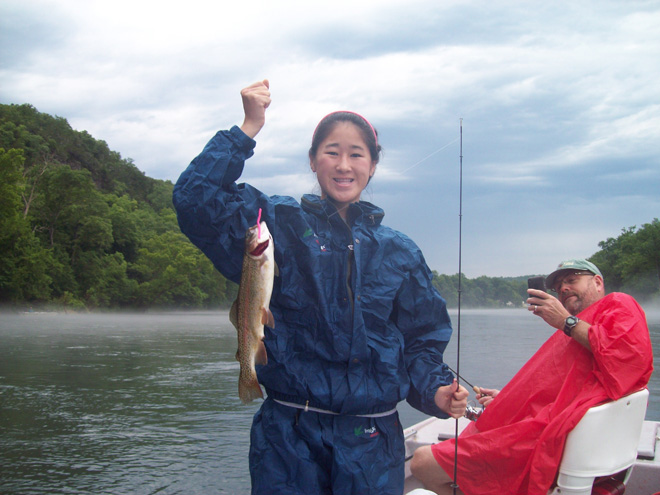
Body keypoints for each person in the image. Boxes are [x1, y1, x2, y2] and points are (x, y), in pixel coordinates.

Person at [172, 80, 468, 495]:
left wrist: (437, 391)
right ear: (313, 161)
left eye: (356, 154)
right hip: (287, 439)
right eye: (331, 152)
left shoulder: (401, 252)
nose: (343, 164)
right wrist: (246, 130)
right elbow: (194, 200)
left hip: (372, 441)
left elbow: (420, 341)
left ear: (373, 165)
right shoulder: (276, 220)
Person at [410, 258, 653, 495]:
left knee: (422, 462)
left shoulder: (618, 304)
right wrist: (509, 401)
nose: (564, 288)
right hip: (557, 435)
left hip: (548, 444)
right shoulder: (577, 332)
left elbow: (628, 358)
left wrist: (565, 322)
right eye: (558, 288)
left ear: (598, 282)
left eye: (572, 280)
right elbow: (565, 389)